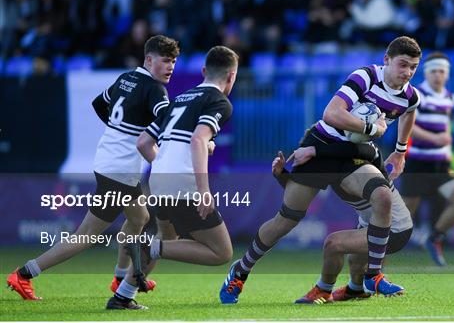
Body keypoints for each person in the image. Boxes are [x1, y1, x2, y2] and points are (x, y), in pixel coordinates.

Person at [220, 36, 422, 304]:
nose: (407, 72)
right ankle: (240, 270)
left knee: (381, 197)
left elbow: (410, 110)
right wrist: (372, 129)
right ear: (387, 60)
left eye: (413, 67)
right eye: (402, 65)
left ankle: (371, 276)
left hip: (354, 154)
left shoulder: (410, 95)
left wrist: (400, 149)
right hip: (321, 144)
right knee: (287, 219)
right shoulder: (365, 77)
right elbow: (331, 113)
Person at [6, 35, 179, 302]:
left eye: (174, 62)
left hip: (110, 164)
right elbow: (168, 120)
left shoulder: (126, 79)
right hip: (119, 171)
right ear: (149, 59)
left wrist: (118, 132)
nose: (171, 67)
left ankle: (120, 277)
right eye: (166, 61)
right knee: (86, 236)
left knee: (139, 218)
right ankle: (25, 274)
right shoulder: (155, 90)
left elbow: (99, 103)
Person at [105, 45, 239, 310]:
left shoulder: (180, 98)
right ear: (232, 76)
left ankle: (122, 295)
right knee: (221, 252)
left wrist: (166, 164)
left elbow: (144, 142)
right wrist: (203, 189)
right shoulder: (219, 102)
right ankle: (147, 245)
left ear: (203, 71)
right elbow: (198, 139)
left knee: (168, 239)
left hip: (157, 183)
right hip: (183, 186)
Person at [273, 145, 413, 302]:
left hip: (395, 229)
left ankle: (323, 290)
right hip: (372, 224)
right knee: (354, 262)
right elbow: (302, 192)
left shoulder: (352, 158)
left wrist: (400, 149)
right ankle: (355, 290)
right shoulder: (338, 158)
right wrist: (282, 175)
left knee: (333, 244)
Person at [400, 52, 454, 266]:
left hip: (441, 165)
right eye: (433, 71)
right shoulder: (417, 94)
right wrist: (435, 138)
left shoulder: (451, 98)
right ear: (426, 73)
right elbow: (407, 126)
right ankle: (377, 255)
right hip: (418, 164)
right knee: (403, 217)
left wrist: (448, 140)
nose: (437, 75)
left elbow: (445, 127)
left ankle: (435, 238)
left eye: (442, 71)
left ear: (447, 74)